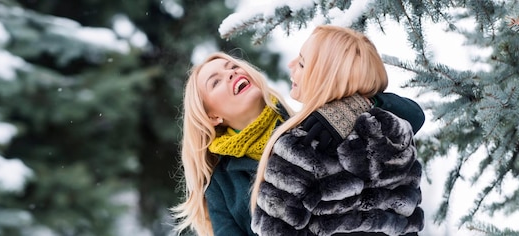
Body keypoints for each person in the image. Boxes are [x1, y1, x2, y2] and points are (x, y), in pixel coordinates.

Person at [171, 51, 424, 236]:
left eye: (232, 67)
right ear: (213, 117)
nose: (231, 73)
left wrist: (356, 106)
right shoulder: (222, 185)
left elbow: (413, 117)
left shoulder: (316, 123)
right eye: (215, 81)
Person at [250, 25, 424, 236]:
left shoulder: (303, 147)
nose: (291, 64)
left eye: (303, 64)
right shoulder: (395, 138)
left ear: (326, 79)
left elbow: (275, 230)